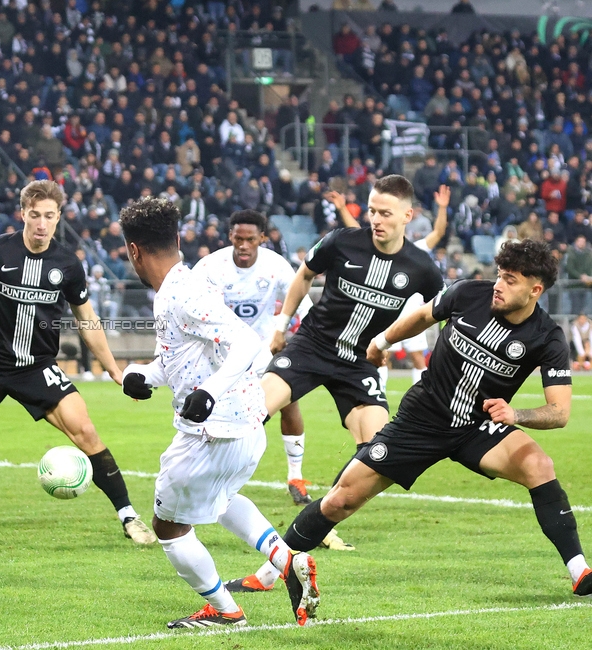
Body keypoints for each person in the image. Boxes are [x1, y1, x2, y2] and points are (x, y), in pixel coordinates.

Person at [272, 240, 592, 598]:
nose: (499, 285)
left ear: (535, 290)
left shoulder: (548, 337)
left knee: (539, 464)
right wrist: (382, 341)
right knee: (340, 500)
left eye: (511, 280)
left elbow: (559, 412)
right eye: (500, 275)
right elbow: (424, 316)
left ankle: (580, 571)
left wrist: (516, 414)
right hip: (422, 420)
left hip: (477, 427)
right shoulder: (468, 294)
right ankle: (268, 573)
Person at [226, 175, 444, 591]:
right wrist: (280, 325)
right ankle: (210, 495)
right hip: (311, 347)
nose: (375, 219)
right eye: (372, 210)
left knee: (380, 452)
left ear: (407, 217)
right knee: (253, 409)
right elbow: (303, 276)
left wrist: (388, 344)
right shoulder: (342, 241)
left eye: (385, 213)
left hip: (359, 364)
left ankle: (322, 517)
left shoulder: (421, 267)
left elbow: (439, 311)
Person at [118, 197, 319, 629]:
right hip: (246, 425)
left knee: (167, 526)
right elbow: (186, 355)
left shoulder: (180, 293)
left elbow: (247, 343)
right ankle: (286, 561)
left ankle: (225, 611)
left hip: (212, 431)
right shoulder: (186, 284)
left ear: (133, 250)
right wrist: (145, 377)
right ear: (176, 238)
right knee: (222, 499)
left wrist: (208, 392)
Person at [0, 180, 155, 545]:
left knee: (86, 432)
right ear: (23, 214)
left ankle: (129, 517)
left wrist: (114, 369)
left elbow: (88, 320)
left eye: (49, 216)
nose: (41, 223)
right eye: (34, 215)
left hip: (37, 367)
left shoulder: (68, 264)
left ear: (59, 217)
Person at [191, 210, 319, 507]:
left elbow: (303, 304)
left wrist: (299, 338)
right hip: (222, 357)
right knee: (218, 417)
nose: (244, 245)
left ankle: (296, 477)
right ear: (230, 237)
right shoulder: (210, 266)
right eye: (238, 238)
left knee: (289, 403)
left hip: (265, 352)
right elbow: (189, 304)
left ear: (263, 238)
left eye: (250, 239)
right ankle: (211, 475)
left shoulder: (276, 266)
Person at [380, 185, 451, 389]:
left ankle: (420, 396)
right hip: (388, 309)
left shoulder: (415, 249)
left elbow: (438, 232)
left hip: (412, 312)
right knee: (380, 354)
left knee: (417, 357)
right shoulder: (379, 250)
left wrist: (442, 208)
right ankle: (377, 395)